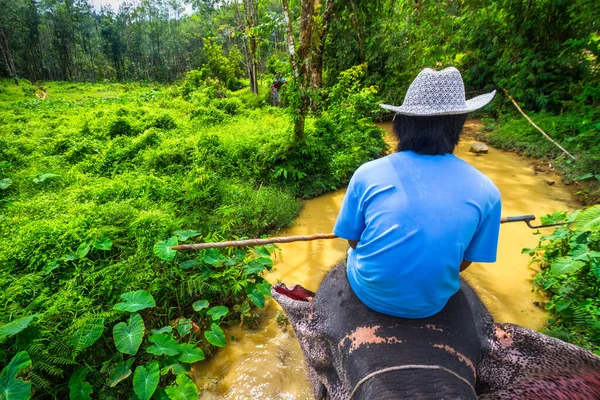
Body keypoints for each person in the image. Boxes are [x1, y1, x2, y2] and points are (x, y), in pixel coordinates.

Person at [333, 67, 501, 319]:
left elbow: (353, 241)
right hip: (431, 305)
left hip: (369, 292)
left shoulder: (367, 173)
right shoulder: (488, 190)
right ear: (459, 125)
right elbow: (465, 262)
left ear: (402, 123)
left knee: (349, 256)